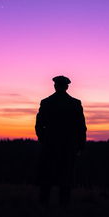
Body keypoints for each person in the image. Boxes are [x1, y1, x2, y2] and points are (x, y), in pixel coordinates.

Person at [35, 75, 87, 206]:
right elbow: (81, 127)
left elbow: (39, 125)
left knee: (47, 177)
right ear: (67, 86)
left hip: (50, 146)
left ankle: (44, 206)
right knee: (66, 178)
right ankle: (63, 207)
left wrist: (44, 140)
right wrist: (80, 146)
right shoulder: (75, 103)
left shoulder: (46, 102)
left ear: (55, 86)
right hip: (68, 146)